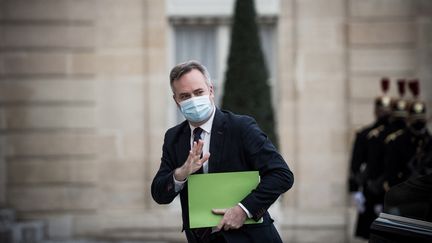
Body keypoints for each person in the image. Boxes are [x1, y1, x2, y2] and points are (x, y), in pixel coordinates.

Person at [151, 60, 294, 243]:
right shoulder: (174, 137)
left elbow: (281, 175)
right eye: (185, 96)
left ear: (211, 90)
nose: (193, 100)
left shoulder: (240, 127)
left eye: (198, 92)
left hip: (250, 238)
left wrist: (243, 210)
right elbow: (159, 194)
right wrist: (181, 173)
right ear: (176, 101)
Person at [348, 77, 392, 239]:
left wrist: (354, 189)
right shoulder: (366, 135)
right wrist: (354, 190)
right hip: (373, 189)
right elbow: (355, 164)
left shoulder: (371, 134)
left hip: (384, 190)